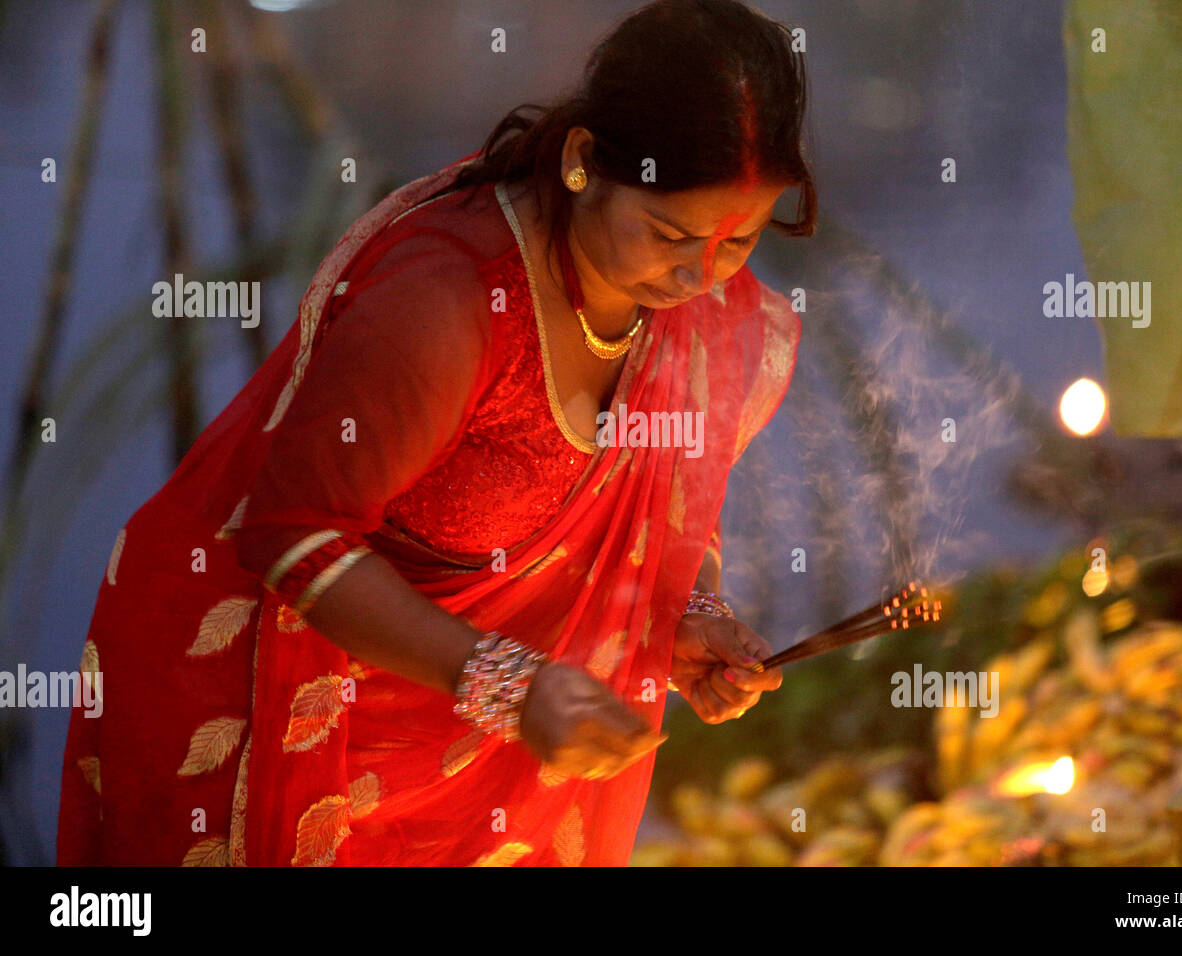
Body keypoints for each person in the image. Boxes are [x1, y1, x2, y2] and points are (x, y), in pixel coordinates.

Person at [57, 0, 817, 866]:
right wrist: (507, 685)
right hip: (282, 713)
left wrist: (689, 609)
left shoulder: (703, 315)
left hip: (481, 748)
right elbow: (294, 537)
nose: (699, 274)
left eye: (739, 240)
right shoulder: (452, 301)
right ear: (582, 163)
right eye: (669, 234)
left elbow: (664, 507)